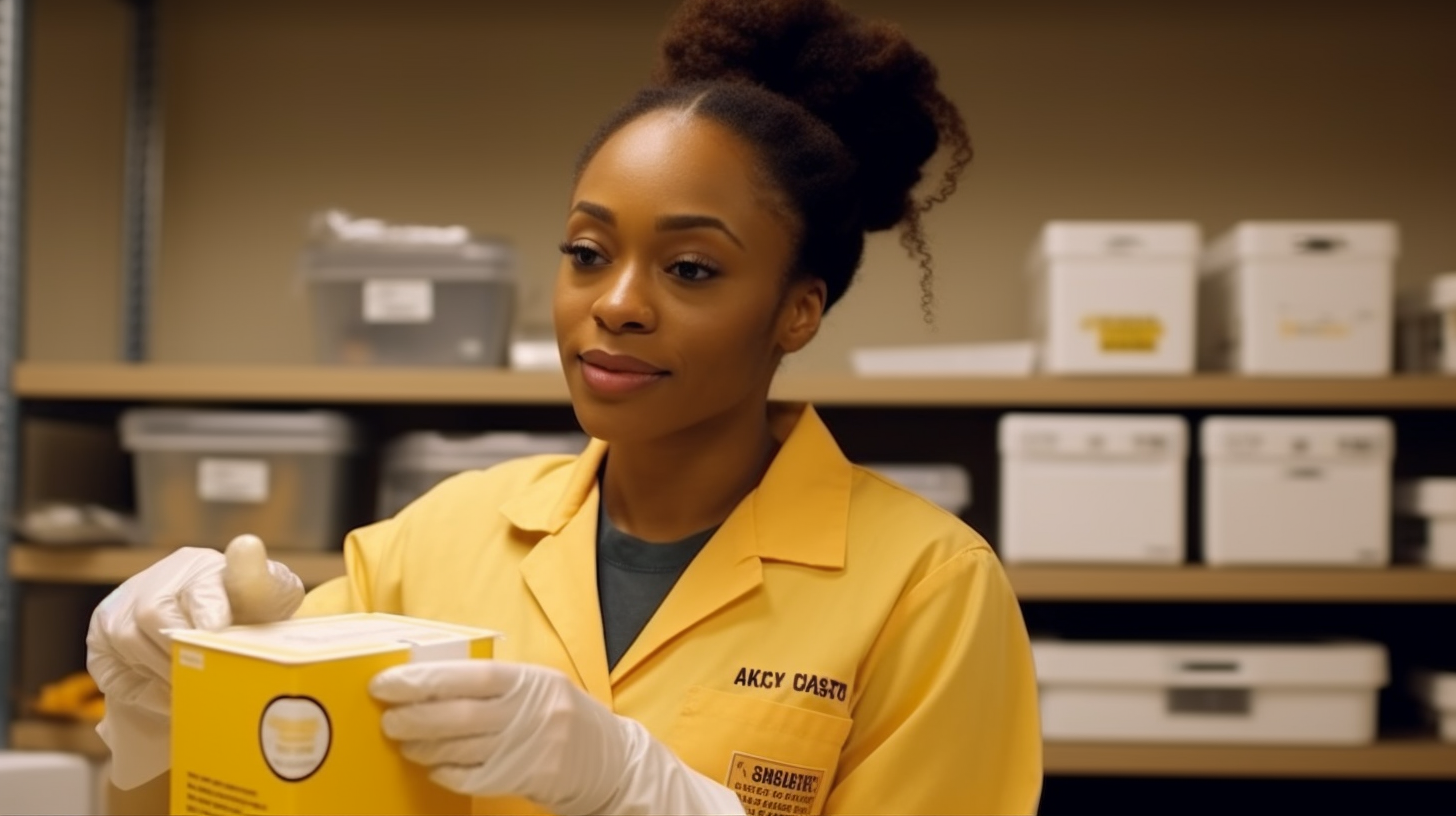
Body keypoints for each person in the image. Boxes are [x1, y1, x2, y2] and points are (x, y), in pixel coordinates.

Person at [86, 0, 1043, 813]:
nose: (615, 303)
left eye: (690, 268)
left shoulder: (927, 587)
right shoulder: (434, 543)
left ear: (798, 311)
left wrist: (646, 789)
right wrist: (160, 697)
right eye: (588, 253)